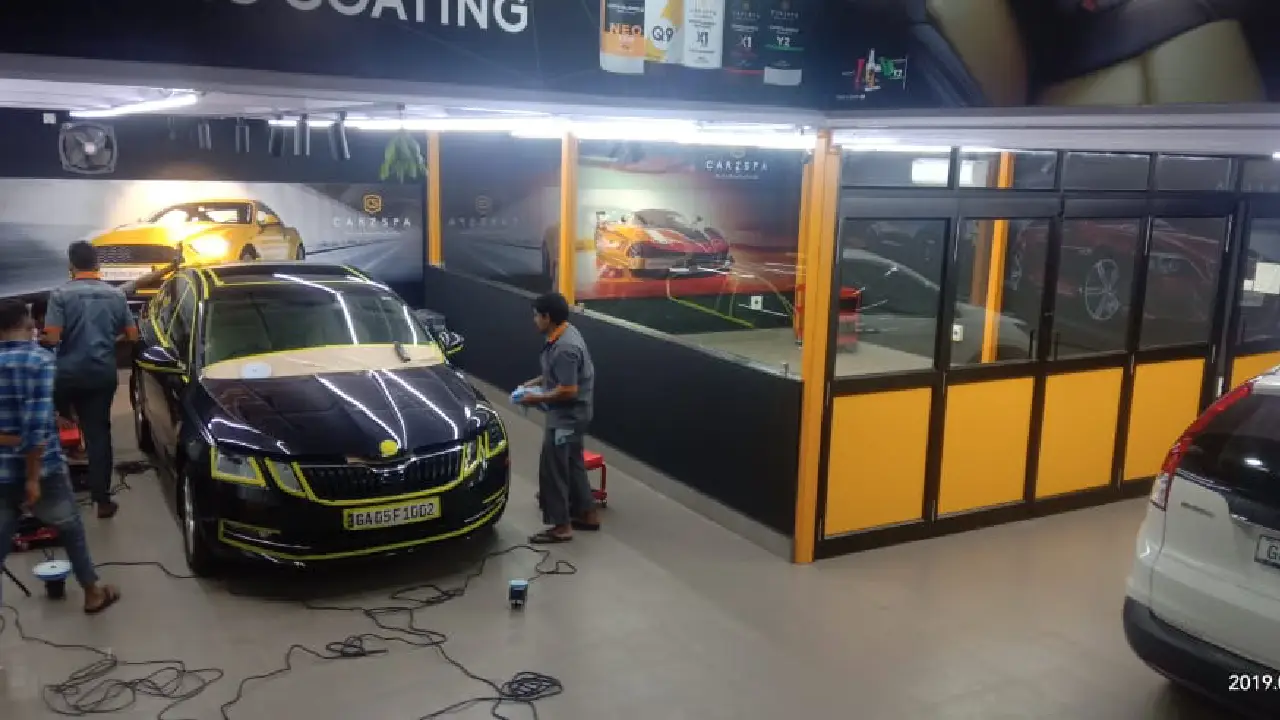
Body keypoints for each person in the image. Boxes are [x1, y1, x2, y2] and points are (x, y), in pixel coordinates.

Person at [0, 299, 121, 613]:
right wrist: (31, 478)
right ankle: (93, 593)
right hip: (43, 469)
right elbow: (35, 428)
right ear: (27, 325)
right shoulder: (39, 360)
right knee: (70, 529)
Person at [42, 242, 144, 518]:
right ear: (97, 264)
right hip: (101, 374)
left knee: (55, 428)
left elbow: (52, 338)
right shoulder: (115, 296)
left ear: (71, 266)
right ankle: (102, 501)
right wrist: (110, 341)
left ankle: (51, 497)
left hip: (66, 376)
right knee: (98, 434)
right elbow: (132, 336)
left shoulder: (60, 295)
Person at [516, 292, 599, 544]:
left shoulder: (565, 347)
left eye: (536, 316)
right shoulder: (564, 333)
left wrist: (535, 399)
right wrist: (533, 383)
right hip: (576, 415)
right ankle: (587, 514)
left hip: (566, 418)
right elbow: (557, 375)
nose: (534, 321)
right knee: (573, 463)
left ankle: (561, 526)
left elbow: (568, 389)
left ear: (547, 317)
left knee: (553, 469)